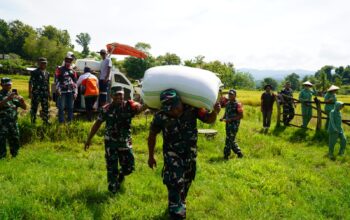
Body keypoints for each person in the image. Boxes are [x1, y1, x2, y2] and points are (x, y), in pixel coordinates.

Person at [147, 89, 220, 219]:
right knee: (175, 182)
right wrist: (151, 156)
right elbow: (152, 135)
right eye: (169, 109)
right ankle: (176, 212)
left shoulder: (193, 109)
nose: (173, 111)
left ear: (180, 101)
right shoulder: (161, 116)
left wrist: (215, 111)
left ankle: (180, 202)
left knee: (187, 180)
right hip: (172, 155)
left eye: (175, 107)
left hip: (190, 154)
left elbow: (208, 119)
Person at [85, 86, 144, 194]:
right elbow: (97, 124)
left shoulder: (129, 106)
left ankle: (121, 175)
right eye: (116, 95)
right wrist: (89, 139)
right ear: (111, 96)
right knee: (112, 168)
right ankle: (113, 187)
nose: (119, 97)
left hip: (125, 142)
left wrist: (148, 104)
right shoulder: (106, 109)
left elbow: (139, 109)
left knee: (129, 168)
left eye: (120, 94)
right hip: (110, 142)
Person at [0, 78, 27, 159]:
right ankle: (2, 156)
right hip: (2, 122)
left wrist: (22, 100)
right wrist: (7, 99)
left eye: (10, 84)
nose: (9, 86)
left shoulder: (14, 95)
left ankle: (15, 155)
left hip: (13, 121)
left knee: (15, 138)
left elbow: (24, 107)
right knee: (2, 139)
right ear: (1, 85)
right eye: (7, 84)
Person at [220, 89, 244, 159]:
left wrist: (231, 119)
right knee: (231, 139)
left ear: (235, 95)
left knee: (228, 140)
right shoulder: (227, 104)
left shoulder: (238, 104)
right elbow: (226, 113)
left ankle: (226, 155)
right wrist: (223, 118)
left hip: (234, 125)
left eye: (232, 94)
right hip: (227, 124)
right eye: (229, 94)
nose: (230, 95)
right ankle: (239, 153)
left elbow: (241, 116)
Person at [55, 54, 78, 123]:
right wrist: (57, 89)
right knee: (61, 107)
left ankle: (69, 121)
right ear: (65, 61)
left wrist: (76, 92)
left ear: (71, 62)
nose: (68, 62)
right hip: (62, 91)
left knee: (70, 107)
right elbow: (56, 80)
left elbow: (75, 82)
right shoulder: (60, 69)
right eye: (67, 60)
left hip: (71, 91)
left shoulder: (73, 71)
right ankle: (61, 122)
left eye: (70, 61)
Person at [29, 57, 51, 124]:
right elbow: (30, 82)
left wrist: (49, 93)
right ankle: (33, 121)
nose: (43, 64)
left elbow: (48, 83)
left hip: (45, 93)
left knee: (45, 107)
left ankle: (45, 120)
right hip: (36, 93)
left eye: (44, 63)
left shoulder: (47, 73)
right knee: (34, 108)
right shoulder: (34, 72)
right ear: (38, 63)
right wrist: (30, 93)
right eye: (41, 63)